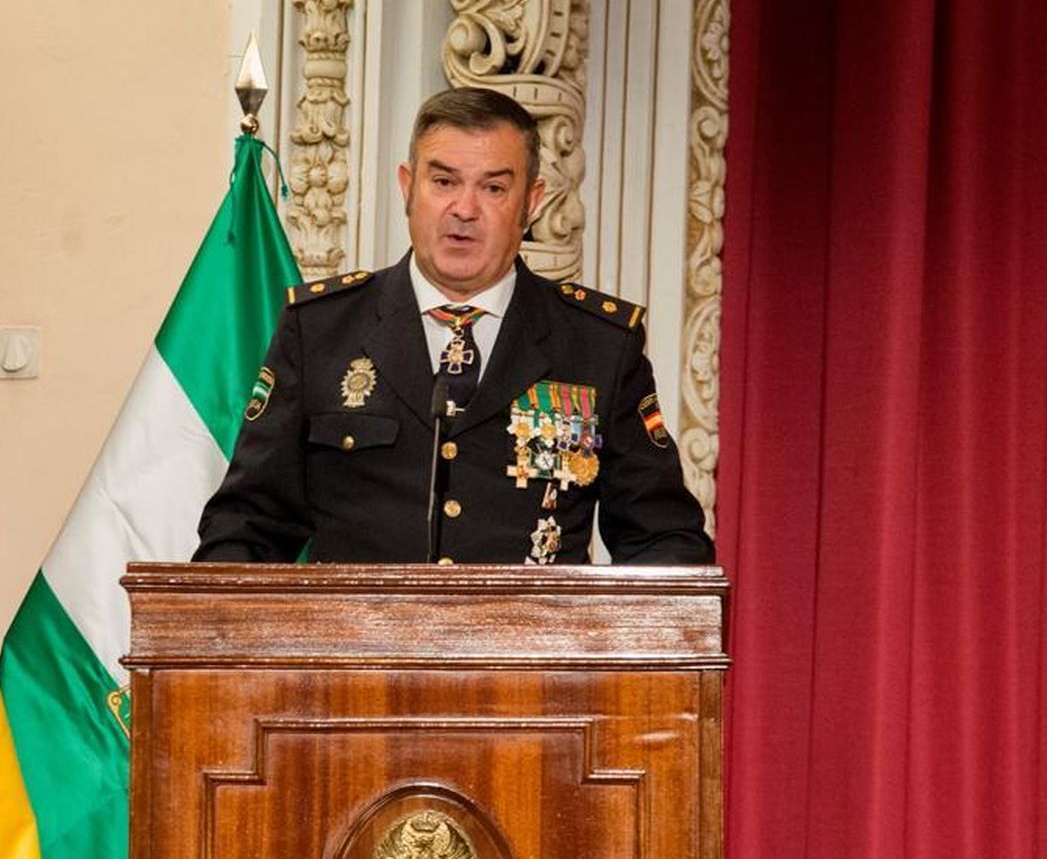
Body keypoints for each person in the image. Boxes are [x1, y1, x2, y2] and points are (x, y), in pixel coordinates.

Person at [193, 87, 712, 565]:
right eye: (443, 182)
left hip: (532, 661)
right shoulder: (321, 329)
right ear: (407, 186)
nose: (464, 210)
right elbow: (246, 527)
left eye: (493, 188)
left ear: (530, 203)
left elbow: (664, 541)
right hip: (354, 660)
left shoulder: (599, 345)